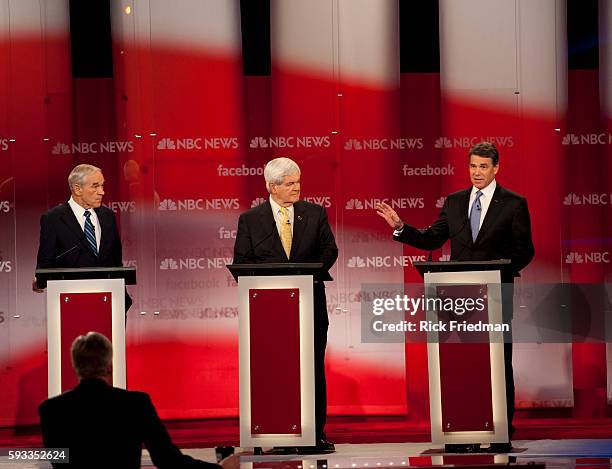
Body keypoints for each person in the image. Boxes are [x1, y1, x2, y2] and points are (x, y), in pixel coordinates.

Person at [376, 142, 534, 453]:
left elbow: (525, 251)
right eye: (473, 166)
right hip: (458, 299)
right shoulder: (455, 202)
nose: (477, 172)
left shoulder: (514, 204)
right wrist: (400, 227)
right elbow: (432, 238)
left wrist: (498, 272)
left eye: (483, 167)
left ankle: (501, 431)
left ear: (496, 168)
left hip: (495, 298)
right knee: (463, 365)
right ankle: (463, 428)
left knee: (498, 365)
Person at [233, 157, 338, 454]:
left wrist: (306, 275)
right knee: (274, 368)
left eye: (298, 182)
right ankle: (273, 430)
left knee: (312, 367)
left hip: (310, 304)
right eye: (290, 183)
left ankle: (314, 434)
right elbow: (242, 262)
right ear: (272, 187)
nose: (296, 188)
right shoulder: (251, 220)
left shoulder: (314, 214)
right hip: (268, 311)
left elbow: (330, 250)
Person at [39, 332, 241, 469]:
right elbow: (167, 459)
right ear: (109, 366)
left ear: (75, 366)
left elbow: (58, 459)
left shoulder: (51, 410)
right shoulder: (136, 404)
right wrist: (219, 468)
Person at [33, 164, 131, 310]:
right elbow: (45, 263)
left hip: (111, 302)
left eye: (102, 186)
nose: (102, 192)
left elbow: (116, 261)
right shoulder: (53, 219)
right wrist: (41, 279)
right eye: (95, 186)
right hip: (71, 304)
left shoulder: (107, 216)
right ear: (77, 189)